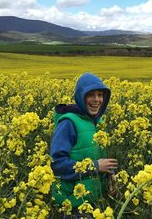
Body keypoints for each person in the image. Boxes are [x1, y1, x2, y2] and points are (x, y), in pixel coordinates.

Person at [50, 72, 118, 211]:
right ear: (81, 97)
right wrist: (94, 166)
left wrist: (109, 176)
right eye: (91, 95)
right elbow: (57, 165)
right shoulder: (68, 123)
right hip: (71, 202)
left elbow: (95, 157)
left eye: (100, 95)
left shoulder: (98, 122)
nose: (97, 99)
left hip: (92, 200)